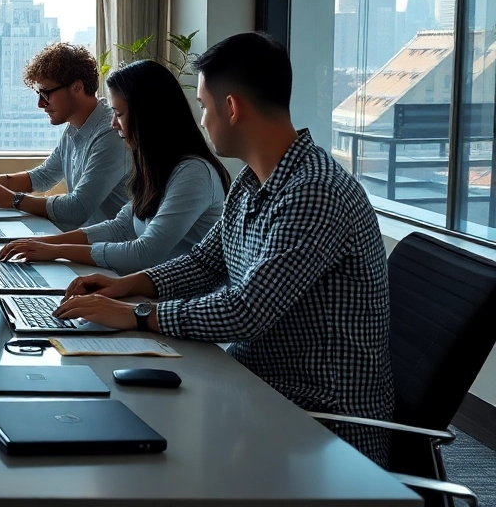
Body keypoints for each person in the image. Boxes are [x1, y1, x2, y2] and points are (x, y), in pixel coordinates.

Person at [54, 33, 393, 465]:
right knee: (123, 414)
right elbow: (205, 262)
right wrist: (125, 287)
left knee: (141, 447)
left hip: (320, 426)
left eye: (203, 107)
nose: (201, 120)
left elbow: (247, 310)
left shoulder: (314, 192)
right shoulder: (254, 182)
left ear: (230, 108)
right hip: (254, 386)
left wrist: (140, 313)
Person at [0, 60, 229, 275]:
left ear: (148, 116)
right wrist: (44, 244)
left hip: (180, 305)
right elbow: (121, 228)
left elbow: (145, 253)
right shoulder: (157, 167)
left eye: (119, 114)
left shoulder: (194, 174)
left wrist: (58, 251)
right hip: (148, 289)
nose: (114, 123)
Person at [0, 42, 130, 232]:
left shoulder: (112, 134)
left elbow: (78, 208)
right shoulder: (75, 128)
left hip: (115, 252)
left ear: (77, 88)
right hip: (87, 244)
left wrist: (14, 200)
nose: (41, 104)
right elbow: (44, 175)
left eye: (46, 94)